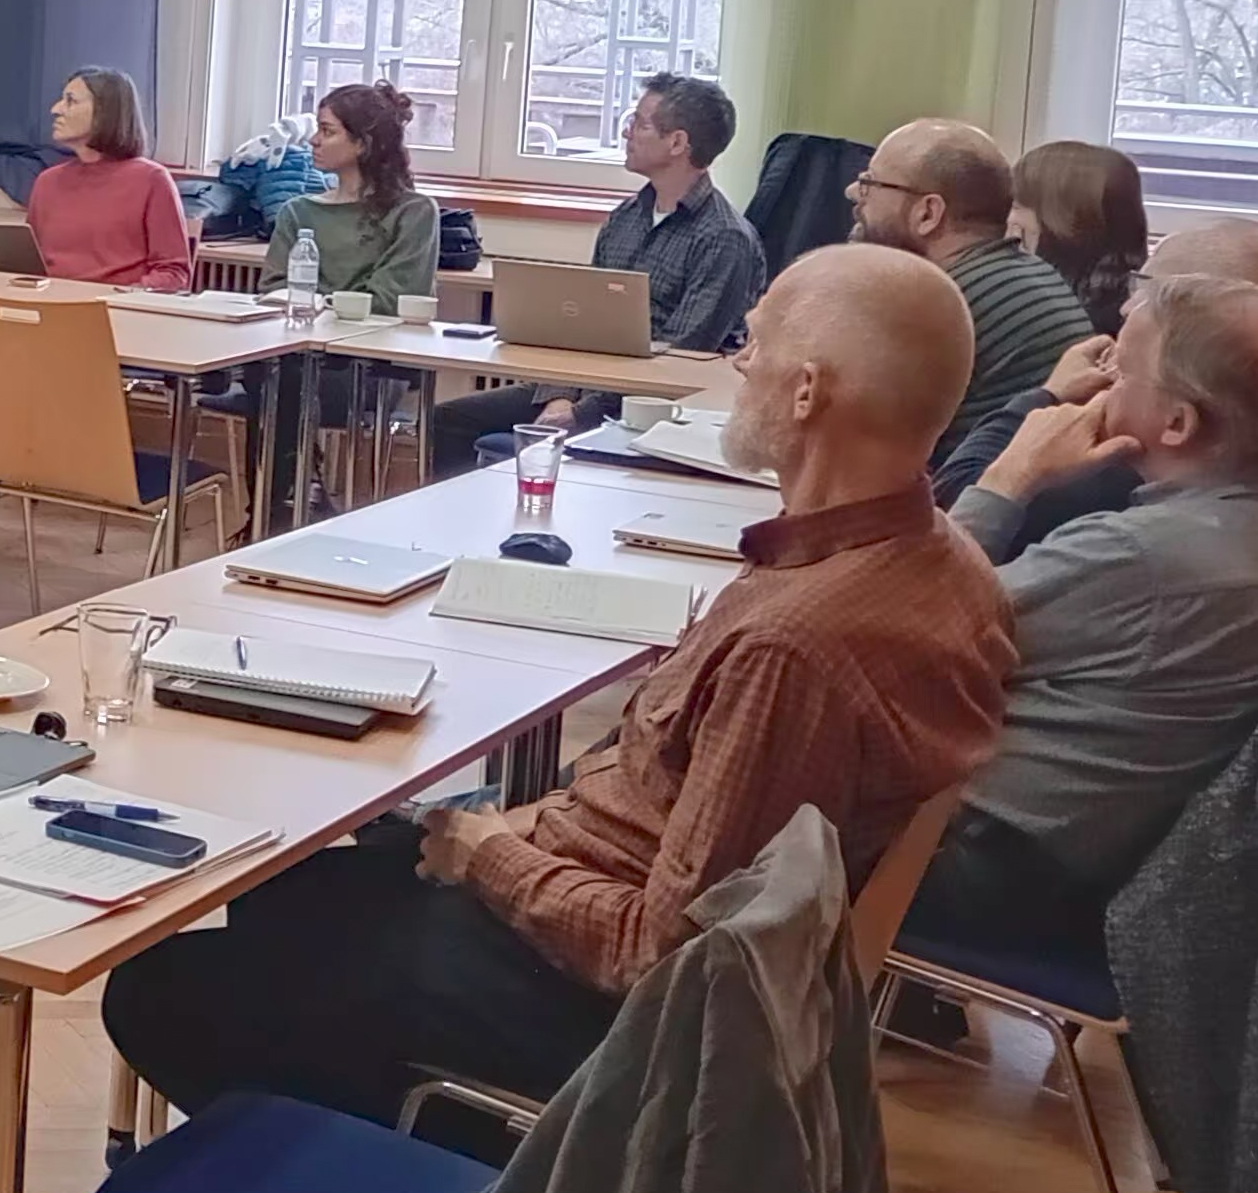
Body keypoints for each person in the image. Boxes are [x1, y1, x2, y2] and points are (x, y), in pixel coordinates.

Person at [101, 245, 1014, 1139]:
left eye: (757, 342)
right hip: (648, 931)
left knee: (159, 990)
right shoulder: (947, 568)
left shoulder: (796, 646)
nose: (741, 363)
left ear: (808, 391)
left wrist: (492, 855)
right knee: (285, 885)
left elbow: (660, 956)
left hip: (604, 1019)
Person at [910, 275, 1258, 960]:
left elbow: (902, 622)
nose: (1104, 383)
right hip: (1111, 877)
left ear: (1176, 423)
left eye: (1123, 367)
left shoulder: (1140, 557)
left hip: (982, 872)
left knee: (747, 786)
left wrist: (1009, 476)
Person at [431, 72, 766, 474]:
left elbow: (681, 357)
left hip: (650, 409)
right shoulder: (625, 218)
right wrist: (558, 396)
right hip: (582, 389)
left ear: (677, 142)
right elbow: (580, 323)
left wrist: (581, 412)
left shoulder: (725, 238)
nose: (627, 133)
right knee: (447, 421)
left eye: (641, 124)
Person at [930, 216, 1258, 515]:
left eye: (1147, 290)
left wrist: (1046, 396)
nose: (1126, 307)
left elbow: (955, 502)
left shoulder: (1132, 459)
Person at [850, 119, 1092, 457]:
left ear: (928, 213)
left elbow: (850, 443)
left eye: (870, 184)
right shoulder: (1030, 274)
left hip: (967, 500)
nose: (853, 193)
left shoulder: (937, 305)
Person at [263, 83, 439, 307]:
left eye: (327, 131)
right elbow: (274, 292)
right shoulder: (297, 212)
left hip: (378, 339)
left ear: (363, 144)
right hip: (306, 335)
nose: (314, 140)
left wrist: (317, 301)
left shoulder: (414, 212)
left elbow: (391, 302)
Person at [23, 66, 194, 291]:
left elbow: (173, 275)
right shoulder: (47, 181)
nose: (56, 109)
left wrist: (119, 297)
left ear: (105, 112)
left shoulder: (151, 180)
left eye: (70, 101)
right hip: (50, 308)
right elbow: (27, 265)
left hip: (118, 312)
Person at [1013, 138, 1150, 340]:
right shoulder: (1133, 299)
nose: (1010, 218)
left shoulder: (1066, 319)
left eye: (1017, 206)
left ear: (1060, 221)